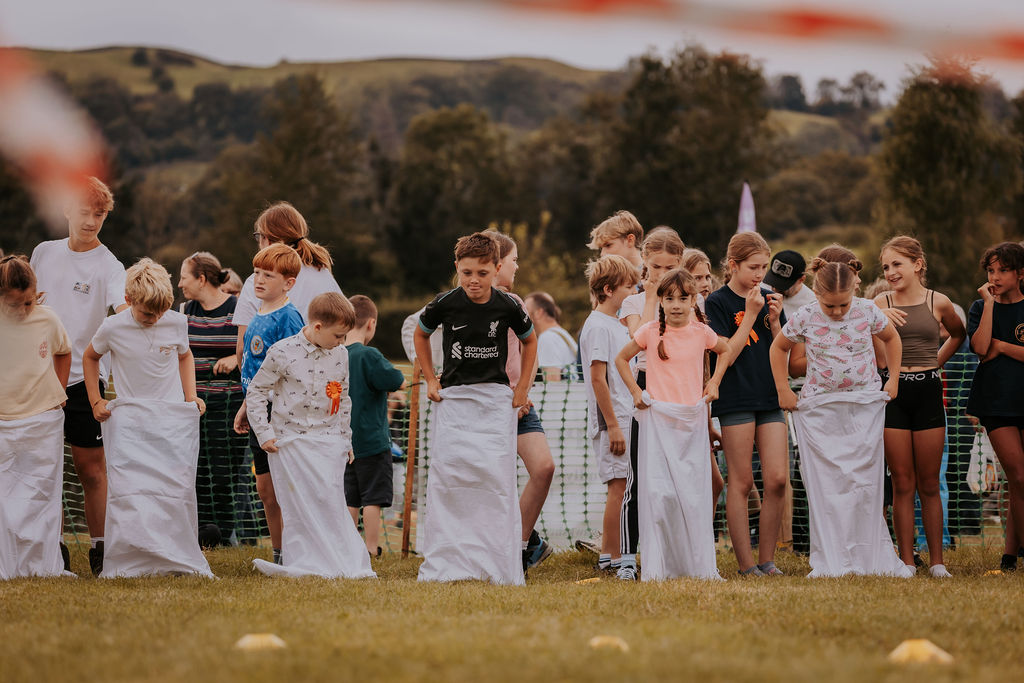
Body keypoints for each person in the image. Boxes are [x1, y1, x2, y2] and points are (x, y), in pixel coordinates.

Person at [769, 259, 911, 577]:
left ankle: (868, 552)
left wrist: (894, 379)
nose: (837, 312)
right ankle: (832, 553)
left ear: (854, 293)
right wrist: (783, 390)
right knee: (828, 484)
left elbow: (892, 338)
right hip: (820, 409)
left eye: (843, 305)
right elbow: (778, 349)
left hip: (863, 407)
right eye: (830, 306)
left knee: (863, 482)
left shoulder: (867, 311)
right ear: (816, 294)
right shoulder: (805, 315)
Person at [413, 232, 537, 585]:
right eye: (467, 272)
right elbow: (421, 334)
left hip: (495, 403)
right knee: (450, 480)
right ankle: (450, 559)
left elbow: (530, 341)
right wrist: (430, 380)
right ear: (457, 267)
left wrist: (522, 387)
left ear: (496, 269)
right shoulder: (445, 303)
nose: (474, 281)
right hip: (455, 401)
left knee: (495, 481)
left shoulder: (508, 305)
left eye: (482, 273)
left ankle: (496, 561)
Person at [82, 258, 211, 578]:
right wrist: (96, 400)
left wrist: (190, 395)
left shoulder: (176, 322)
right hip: (131, 425)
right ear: (128, 300)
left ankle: (172, 553)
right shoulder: (113, 326)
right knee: (132, 491)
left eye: (160, 312)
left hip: (170, 423)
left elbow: (185, 356)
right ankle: (133, 555)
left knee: (173, 489)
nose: (154, 319)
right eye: (146, 313)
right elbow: (90, 357)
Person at [29, 176, 128, 576]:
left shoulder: (110, 265)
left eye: (99, 214)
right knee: (44, 470)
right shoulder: (43, 253)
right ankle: (50, 549)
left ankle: (101, 550)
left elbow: (123, 311)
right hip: (37, 381)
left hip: (84, 383)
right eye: (84, 212)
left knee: (91, 471)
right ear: (67, 210)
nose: (91, 221)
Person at [246, 292, 375, 579]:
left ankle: (336, 558)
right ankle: (302, 558)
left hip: (327, 441)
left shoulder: (340, 355)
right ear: (317, 327)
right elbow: (256, 391)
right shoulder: (282, 352)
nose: (342, 341)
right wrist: (264, 432)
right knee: (298, 505)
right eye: (338, 335)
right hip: (289, 442)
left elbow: (343, 399)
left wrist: (345, 439)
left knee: (328, 501)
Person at [614, 269, 732, 580]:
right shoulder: (650, 331)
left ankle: (696, 564)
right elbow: (621, 359)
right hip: (657, 422)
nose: (676, 305)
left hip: (690, 423)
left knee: (692, 494)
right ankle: (659, 564)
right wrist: (636, 392)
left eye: (683, 298)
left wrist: (714, 383)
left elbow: (726, 350)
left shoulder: (701, 332)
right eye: (669, 299)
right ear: (661, 301)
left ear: (694, 301)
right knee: (659, 494)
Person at [873, 235, 965, 577]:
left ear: (917, 264)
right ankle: (907, 562)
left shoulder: (938, 302)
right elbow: (872, 348)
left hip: (928, 392)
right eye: (886, 266)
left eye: (897, 264)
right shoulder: (878, 303)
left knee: (929, 483)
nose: (891, 272)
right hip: (894, 394)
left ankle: (938, 562)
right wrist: (877, 321)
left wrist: (935, 363)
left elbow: (958, 334)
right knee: (902, 483)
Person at [705, 232, 787, 576]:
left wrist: (776, 322)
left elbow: (783, 352)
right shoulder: (716, 302)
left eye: (764, 267)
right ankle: (746, 564)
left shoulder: (769, 298)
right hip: (736, 396)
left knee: (778, 479)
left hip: (770, 396)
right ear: (733, 265)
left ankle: (767, 560)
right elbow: (726, 354)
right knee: (740, 482)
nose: (760, 274)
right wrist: (752, 315)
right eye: (753, 267)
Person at [617, 227, 691, 580]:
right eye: (656, 267)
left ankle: (677, 554)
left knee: (680, 478)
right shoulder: (634, 303)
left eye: (670, 267)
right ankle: (626, 559)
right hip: (648, 388)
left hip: (682, 390)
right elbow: (641, 337)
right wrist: (650, 297)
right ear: (644, 262)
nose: (662, 274)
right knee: (638, 478)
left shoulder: (689, 302)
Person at [232, 243, 304, 566]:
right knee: (264, 489)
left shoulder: (289, 317)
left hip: (280, 414)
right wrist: (247, 405)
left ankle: (293, 553)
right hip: (258, 411)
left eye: (268, 275)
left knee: (284, 488)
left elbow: (295, 368)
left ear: (288, 283)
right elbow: (253, 370)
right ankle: (278, 553)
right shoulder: (257, 313)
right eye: (256, 272)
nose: (258, 280)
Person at [0, 255, 72, 578]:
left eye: (28, 302)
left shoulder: (47, 319)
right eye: (14, 305)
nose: (23, 310)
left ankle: (42, 563)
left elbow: (64, 351)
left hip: (42, 419)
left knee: (40, 494)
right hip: (4, 421)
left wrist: (58, 391)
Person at [178, 251, 255, 547]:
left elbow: (253, 350)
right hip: (192, 405)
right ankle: (200, 534)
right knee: (195, 470)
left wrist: (235, 359)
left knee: (225, 473)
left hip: (229, 405)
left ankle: (222, 535)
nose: (180, 284)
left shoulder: (238, 310)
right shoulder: (184, 311)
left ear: (201, 279)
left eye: (184, 277)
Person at [491, 233, 556, 571]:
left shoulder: (515, 302)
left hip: (519, 405)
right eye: (514, 260)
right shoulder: (470, 305)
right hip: (489, 407)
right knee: (493, 482)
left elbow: (529, 351)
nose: (517, 266)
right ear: (497, 263)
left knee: (544, 468)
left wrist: (522, 394)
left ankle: (520, 545)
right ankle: (523, 545)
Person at [579, 255, 640, 577]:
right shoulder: (598, 327)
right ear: (608, 289)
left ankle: (609, 554)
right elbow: (598, 378)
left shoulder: (616, 325)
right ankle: (614, 557)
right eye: (628, 286)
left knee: (624, 486)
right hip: (613, 422)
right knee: (619, 488)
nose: (634, 292)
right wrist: (613, 425)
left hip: (627, 417)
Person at [966, 242, 1024, 572]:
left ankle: (1010, 556)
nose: (995, 277)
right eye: (990, 270)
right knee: (1018, 475)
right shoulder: (979, 306)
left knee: (1019, 483)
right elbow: (980, 347)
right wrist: (989, 304)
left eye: (1003, 270)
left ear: (1020, 273)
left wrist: (1003, 346)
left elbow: (993, 347)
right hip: (995, 402)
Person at [233, 202, 342, 373]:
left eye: (258, 237)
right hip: (320, 377)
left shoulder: (256, 281)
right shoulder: (323, 274)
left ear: (266, 239)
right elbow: (342, 332)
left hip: (271, 382)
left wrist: (251, 385)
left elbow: (243, 349)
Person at [345, 295, 407, 558]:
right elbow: (397, 380)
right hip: (372, 441)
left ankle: (348, 548)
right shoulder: (368, 355)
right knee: (372, 497)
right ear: (371, 324)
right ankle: (370, 548)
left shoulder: (335, 354)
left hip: (344, 443)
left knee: (350, 497)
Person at [523, 291, 577, 382]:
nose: (523, 316)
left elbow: (552, 383)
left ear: (539, 313)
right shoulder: (561, 333)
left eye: (526, 310)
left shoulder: (548, 338)